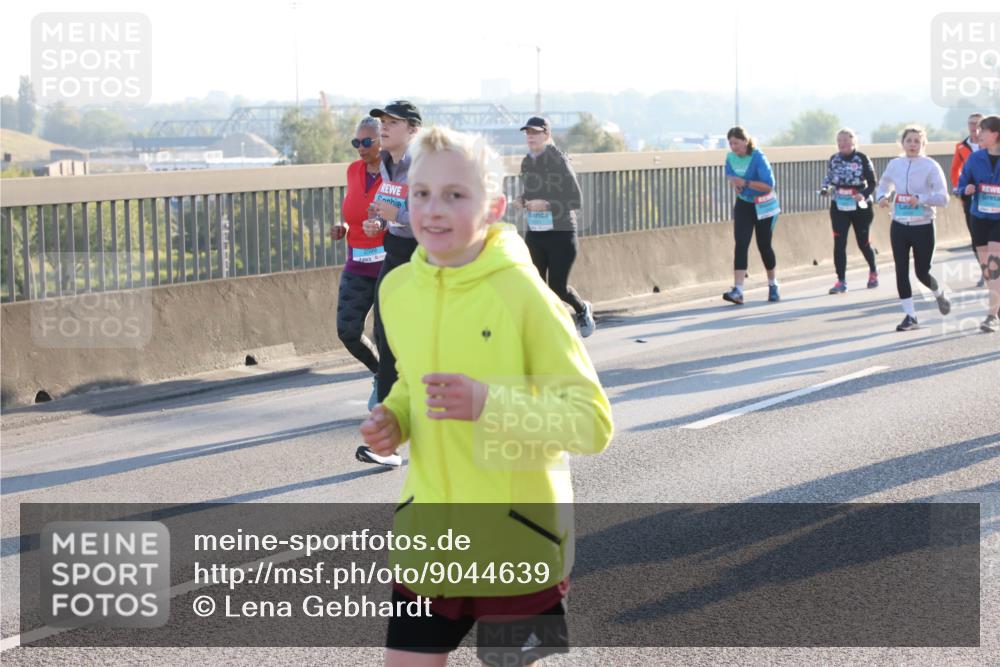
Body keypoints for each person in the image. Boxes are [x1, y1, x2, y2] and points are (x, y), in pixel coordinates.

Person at [359, 127, 613, 667]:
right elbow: (411, 381)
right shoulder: (397, 290)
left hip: (516, 540)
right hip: (430, 540)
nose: (434, 209)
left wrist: (488, 405)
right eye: (422, 193)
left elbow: (591, 423)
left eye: (456, 195)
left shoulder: (525, 295)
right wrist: (395, 417)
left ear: (494, 207)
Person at [356, 100, 422, 468]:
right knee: (384, 338)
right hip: (395, 254)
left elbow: (433, 217)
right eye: (382, 121)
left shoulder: (426, 165)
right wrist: (377, 224)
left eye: (392, 122)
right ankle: (386, 443)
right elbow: (389, 212)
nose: (383, 127)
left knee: (421, 345)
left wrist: (397, 216)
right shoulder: (386, 163)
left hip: (424, 260)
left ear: (413, 129)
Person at [514, 116, 596, 337]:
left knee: (557, 287)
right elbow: (533, 192)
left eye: (535, 132)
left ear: (547, 135)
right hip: (536, 234)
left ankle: (582, 308)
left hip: (561, 233)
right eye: (527, 132)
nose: (530, 136)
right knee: (536, 286)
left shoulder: (559, 160)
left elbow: (576, 200)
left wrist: (547, 205)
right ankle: (546, 331)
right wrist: (523, 200)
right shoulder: (527, 162)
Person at [331, 117, 385, 410]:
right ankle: (381, 373)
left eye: (367, 142)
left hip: (390, 264)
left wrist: (382, 224)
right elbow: (353, 210)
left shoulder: (394, 173)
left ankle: (392, 388)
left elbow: (400, 214)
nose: (360, 148)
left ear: (382, 142)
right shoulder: (353, 171)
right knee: (348, 331)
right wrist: (343, 227)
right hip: (358, 264)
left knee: (384, 334)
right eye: (356, 142)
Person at [875, 126, 951, 332]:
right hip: (899, 224)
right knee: (900, 270)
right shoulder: (895, 164)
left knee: (921, 272)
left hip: (923, 225)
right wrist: (881, 197)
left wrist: (922, 199)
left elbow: (943, 198)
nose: (913, 145)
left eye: (917, 141)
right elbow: (883, 186)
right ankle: (910, 316)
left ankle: (938, 294)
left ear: (923, 144)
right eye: (909, 141)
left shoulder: (931, 166)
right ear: (902, 143)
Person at [722, 126, 780, 304]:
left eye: (737, 143)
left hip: (763, 205)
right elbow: (730, 174)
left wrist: (745, 182)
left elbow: (769, 185)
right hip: (744, 204)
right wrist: (735, 183)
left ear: (746, 141)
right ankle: (738, 290)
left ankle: (772, 284)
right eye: (731, 143)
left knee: (764, 245)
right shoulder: (730, 157)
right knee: (741, 243)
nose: (733, 147)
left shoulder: (757, 157)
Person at [819, 129, 879, 293]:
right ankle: (841, 281)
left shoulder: (862, 158)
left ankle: (873, 271)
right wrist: (825, 189)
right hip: (839, 205)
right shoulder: (834, 159)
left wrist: (862, 194)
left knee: (863, 242)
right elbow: (829, 179)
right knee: (839, 243)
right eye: (839, 140)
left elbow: (873, 183)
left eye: (846, 140)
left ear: (854, 142)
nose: (842, 143)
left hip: (860, 205)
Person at [957, 114, 1000, 333]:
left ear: (996, 134)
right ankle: (997, 303)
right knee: (987, 269)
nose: (978, 134)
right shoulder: (975, 158)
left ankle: (991, 316)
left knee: (994, 263)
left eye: (983, 130)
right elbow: (960, 184)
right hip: (979, 216)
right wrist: (966, 189)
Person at [951, 112, 985, 287]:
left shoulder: (993, 145)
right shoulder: (961, 147)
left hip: (992, 193)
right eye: (971, 123)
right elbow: (955, 170)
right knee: (976, 235)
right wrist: (961, 190)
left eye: (978, 124)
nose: (974, 127)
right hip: (971, 195)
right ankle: (984, 270)